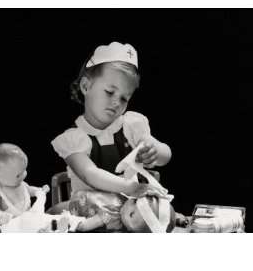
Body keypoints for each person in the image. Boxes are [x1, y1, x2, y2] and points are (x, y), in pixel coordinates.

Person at [51, 41, 172, 211]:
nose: (116, 102)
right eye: (109, 92)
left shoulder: (131, 126)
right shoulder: (74, 138)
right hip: (90, 214)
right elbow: (90, 174)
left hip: (130, 212)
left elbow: (166, 154)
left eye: (124, 98)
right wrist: (129, 187)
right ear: (86, 86)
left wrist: (155, 152)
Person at [0, 143, 50, 225]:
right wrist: (0, 216)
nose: (24, 175)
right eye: (18, 175)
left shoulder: (21, 184)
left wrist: (40, 190)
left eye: (24, 170)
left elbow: (30, 190)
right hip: (13, 226)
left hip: (29, 221)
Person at [68, 189, 176, 232]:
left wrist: (79, 225)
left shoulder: (112, 217)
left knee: (57, 210)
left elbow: (84, 226)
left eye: (132, 214)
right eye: (135, 201)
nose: (128, 206)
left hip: (75, 212)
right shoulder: (125, 198)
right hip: (82, 197)